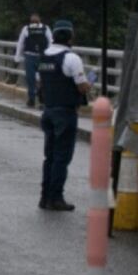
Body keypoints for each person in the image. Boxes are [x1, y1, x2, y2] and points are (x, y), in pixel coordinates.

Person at [37, 19, 91, 212]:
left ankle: (44, 197)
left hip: (48, 111)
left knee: (49, 157)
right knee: (62, 157)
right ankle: (56, 198)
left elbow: (39, 84)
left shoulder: (43, 57)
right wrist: (89, 83)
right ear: (69, 37)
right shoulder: (71, 58)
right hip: (65, 113)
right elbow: (82, 86)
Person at [15, 13, 53, 108]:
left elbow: (21, 43)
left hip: (32, 56)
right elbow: (51, 42)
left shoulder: (28, 28)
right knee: (40, 78)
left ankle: (35, 99)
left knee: (32, 79)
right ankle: (39, 100)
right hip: (40, 56)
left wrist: (17, 56)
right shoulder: (45, 28)